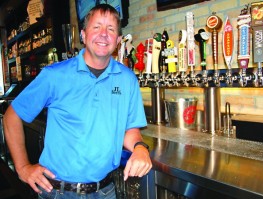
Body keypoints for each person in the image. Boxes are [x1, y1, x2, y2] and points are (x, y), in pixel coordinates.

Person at [3, 4, 152, 199]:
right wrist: (23, 168)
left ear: (117, 40)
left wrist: (140, 149)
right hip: (58, 191)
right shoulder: (54, 75)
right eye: (96, 27)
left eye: (111, 29)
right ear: (83, 35)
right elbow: (11, 116)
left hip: (106, 191)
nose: (103, 34)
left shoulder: (127, 79)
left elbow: (129, 129)